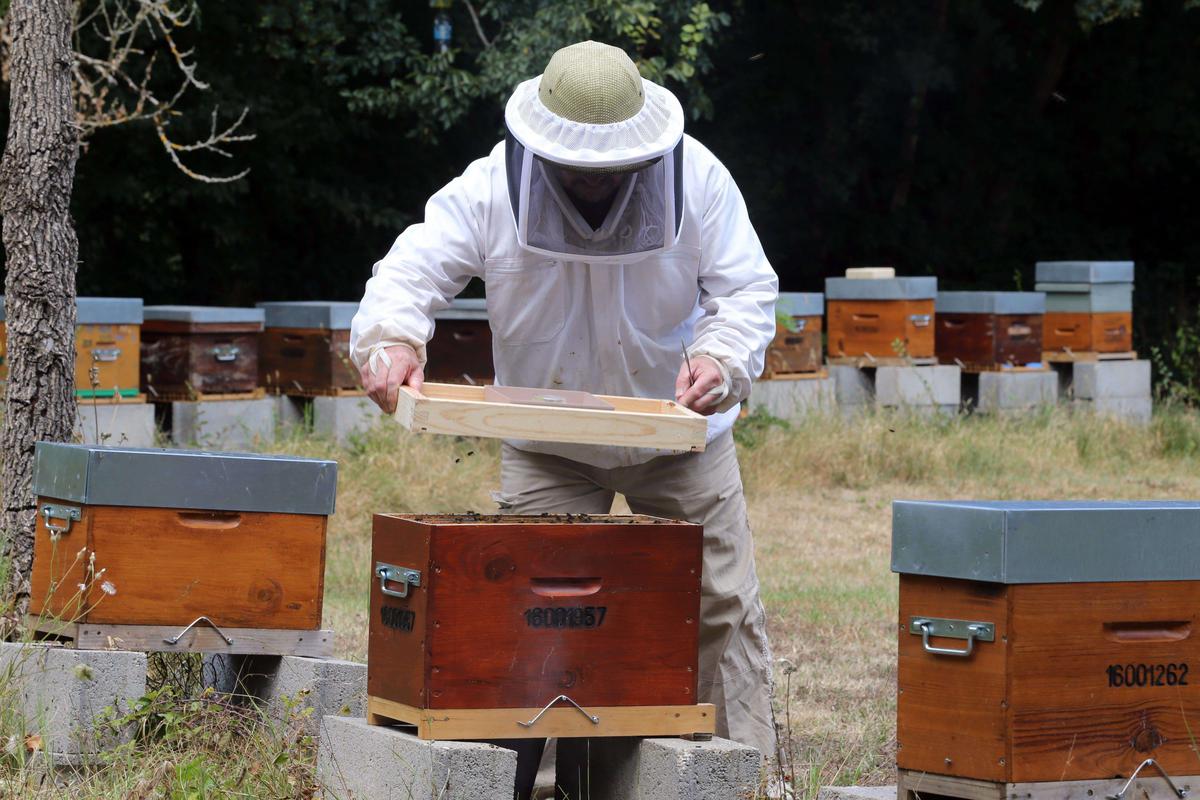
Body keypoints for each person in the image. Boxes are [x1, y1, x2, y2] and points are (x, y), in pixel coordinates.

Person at [351, 39, 780, 793]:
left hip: (679, 440)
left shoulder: (699, 178)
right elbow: (413, 267)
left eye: (607, 168)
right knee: (520, 612)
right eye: (575, 165)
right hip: (548, 444)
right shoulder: (492, 188)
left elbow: (745, 291)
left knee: (720, 604)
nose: (590, 180)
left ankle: (737, 779)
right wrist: (391, 340)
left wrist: (720, 358)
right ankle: (513, 781)